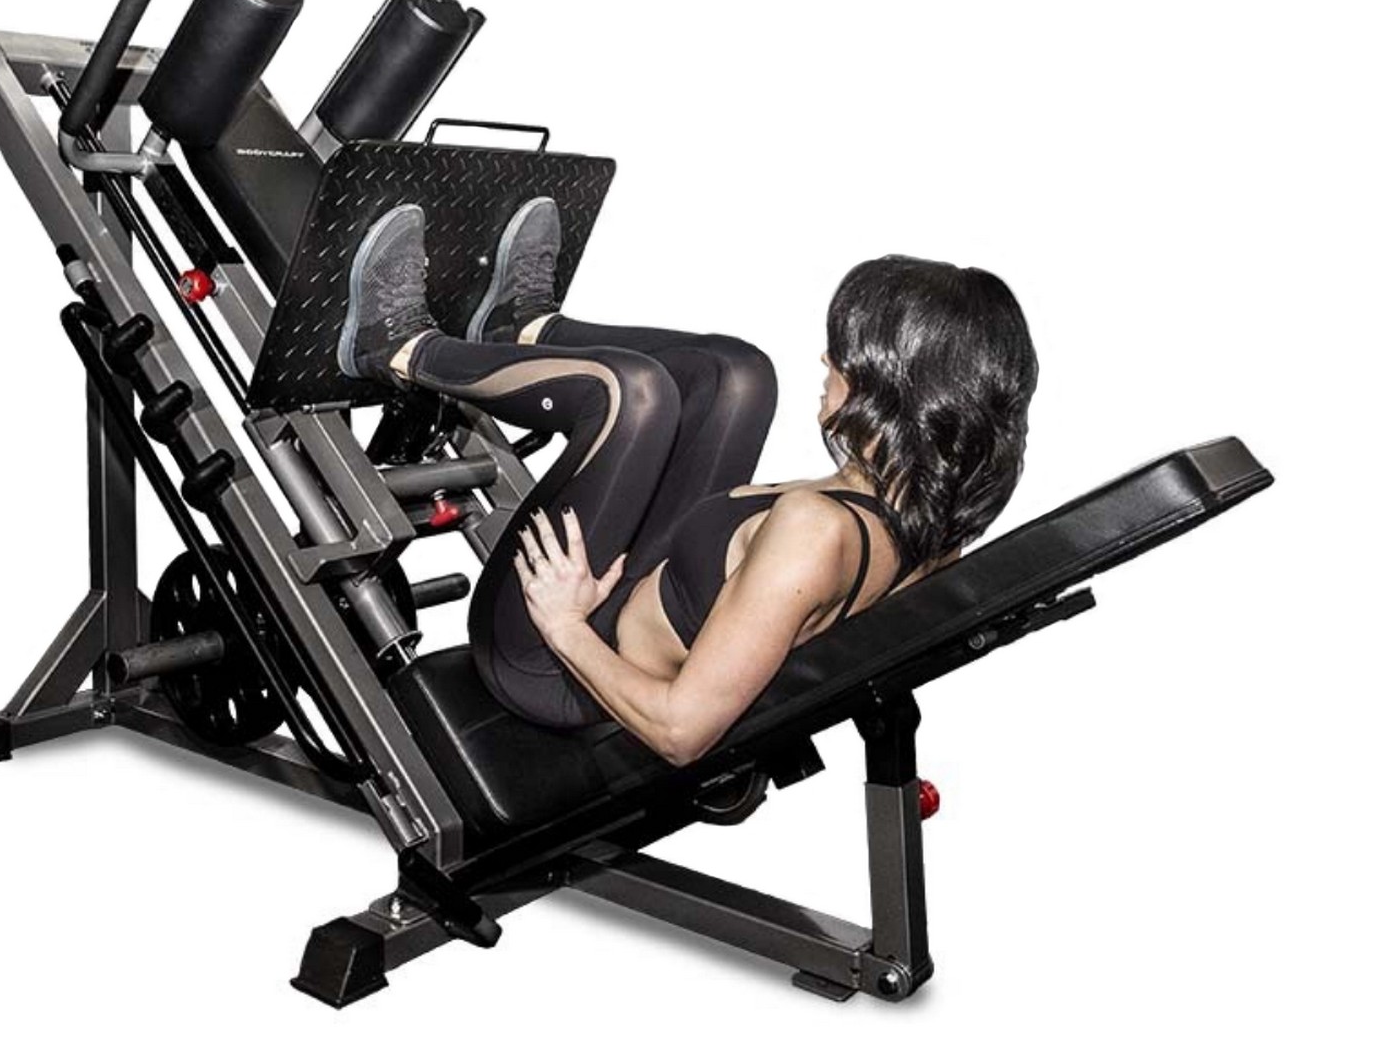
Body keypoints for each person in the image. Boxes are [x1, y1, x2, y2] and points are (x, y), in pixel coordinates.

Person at [337, 198, 1038, 765]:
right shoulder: (920, 516)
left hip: (553, 666)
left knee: (628, 395)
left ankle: (396, 348)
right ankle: (526, 329)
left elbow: (680, 733)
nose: (828, 360)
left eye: (848, 352)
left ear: (894, 386)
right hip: (618, 602)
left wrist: (565, 625)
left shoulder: (817, 533)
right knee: (741, 374)